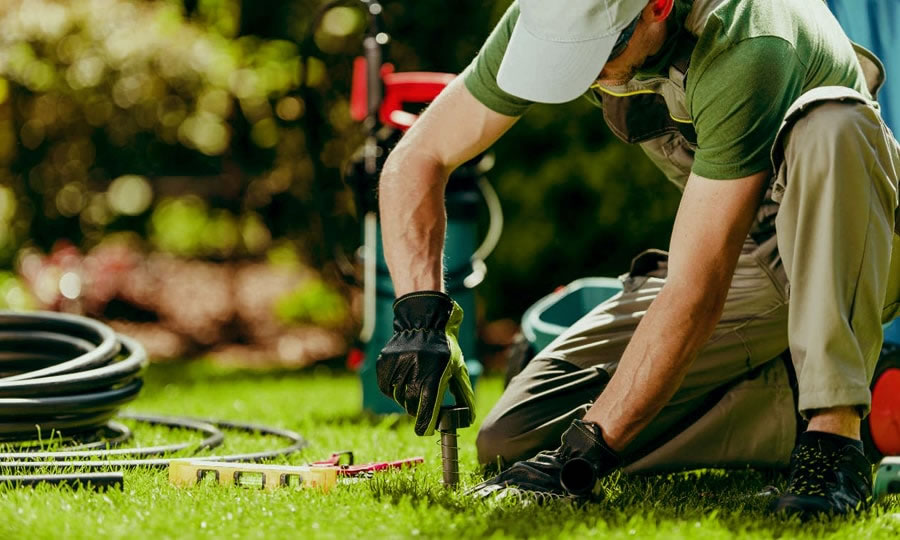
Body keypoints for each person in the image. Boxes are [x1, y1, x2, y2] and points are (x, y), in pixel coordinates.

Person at [374, 0, 900, 517]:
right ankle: (833, 394)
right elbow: (419, 156)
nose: (584, 72)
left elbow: (696, 292)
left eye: (598, 50)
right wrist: (419, 314)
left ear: (659, 7)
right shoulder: (551, 14)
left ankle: (834, 437)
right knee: (512, 437)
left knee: (833, 122)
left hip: (853, 242)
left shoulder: (749, 39)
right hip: (744, 251)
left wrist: (585, 454)